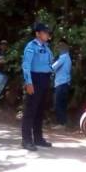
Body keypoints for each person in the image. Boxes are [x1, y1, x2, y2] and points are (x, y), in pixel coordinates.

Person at [21, 23, 53, 151]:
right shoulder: (31, 46)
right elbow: (26, 65)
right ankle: (26, 140)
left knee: (40, 111)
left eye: (48, 32)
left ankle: (38, 138)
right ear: (37, 33)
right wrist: (28, 82)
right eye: (45, 32)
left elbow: (50, 64)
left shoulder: (47, 47)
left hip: (44, 80)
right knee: (30, 111)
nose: (47, 34)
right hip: (35, 79)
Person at [51, 38, 72, 130]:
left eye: (61, 46)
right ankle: (63, 123)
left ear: (66, 47)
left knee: (59, 103)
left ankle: (61, 123)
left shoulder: (63, 58)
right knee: (62, 104)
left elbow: (53, 68)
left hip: (61, 84)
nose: (59, 48)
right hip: (64, 84)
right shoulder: (67, 58)